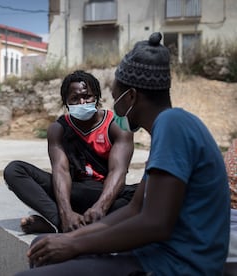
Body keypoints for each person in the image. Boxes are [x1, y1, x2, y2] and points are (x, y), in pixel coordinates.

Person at [15, 32, 230, 276]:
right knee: (41, 248)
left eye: (115, 96)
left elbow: (154, 224)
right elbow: (135, 209)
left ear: (131, 97)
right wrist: (71, 237)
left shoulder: (173, 124)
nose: (114, 105)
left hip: (175, 266)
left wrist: (73, 244)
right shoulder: (170, 126)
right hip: (155, 255)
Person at [3, 70, 137, 234]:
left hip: (105, 194)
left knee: (140, 195)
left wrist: (100, 207)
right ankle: (63, 222)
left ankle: (60, 223)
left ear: (97, 97)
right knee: (15, 170)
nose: (82, 102)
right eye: (74, 98)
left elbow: (118, 171)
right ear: (66, 102)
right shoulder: (58, 129)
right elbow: (61, 170)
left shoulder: (117, 125)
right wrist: (65, 211)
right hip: (73, 192)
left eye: (87, 96)